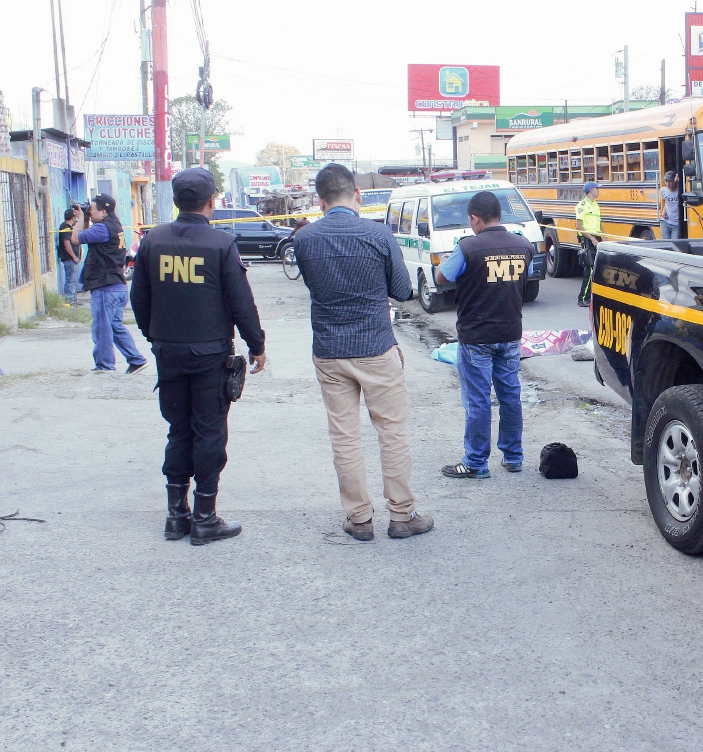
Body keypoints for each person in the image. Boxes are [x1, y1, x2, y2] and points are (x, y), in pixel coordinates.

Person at [292, 163, 430, 543]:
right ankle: (402, 516)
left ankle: (359, 518)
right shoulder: (378, 234)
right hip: (376, 347)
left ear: (320, 201)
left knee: (344, 436)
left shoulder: (304, 240)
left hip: (330, 350)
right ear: (356, 194)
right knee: (392, 433)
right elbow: (403, 291)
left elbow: (316, 287)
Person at [130, 168, 266, 545]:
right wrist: (257, 345)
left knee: (178, 429)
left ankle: (177, 516)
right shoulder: (220, 244)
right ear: (212, 201)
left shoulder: (152, 241)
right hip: (210, 355)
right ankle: (204, 518)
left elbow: (139, 299)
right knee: (209, 432)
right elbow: (241, 303)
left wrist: (155, 335)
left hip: (168, 352)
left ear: (176, 201)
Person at [435, 190, 535, 479]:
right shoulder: (523, 245)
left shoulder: (468, 248)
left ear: (474, 219)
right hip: (510, 333)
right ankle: (513, 456)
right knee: (510, 395)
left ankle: (476, 462)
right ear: (499, 216)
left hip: (477, 336)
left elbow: (442, 278)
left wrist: (445, 261)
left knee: (478, 400)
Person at [69, 194, 149, 373]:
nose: (90, 211)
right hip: (117, 286)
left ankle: (104, 366)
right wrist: (87, 217)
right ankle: (136, 359)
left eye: (93, 209)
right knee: (114, 326)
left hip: (106, 287)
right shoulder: (114, 226)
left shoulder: (102, 229)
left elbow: (75, 239)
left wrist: (80, 218)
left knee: (102, 328)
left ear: (103, 211)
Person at [575, 181, 603, 307]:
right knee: (590, 268)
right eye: (597, 189)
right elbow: (579, 227)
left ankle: (591, 296)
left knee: (597, 268)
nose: (599, 191)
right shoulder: (582, 206)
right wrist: (592, 239)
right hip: (587, 239)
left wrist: (604, 237)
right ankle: (583, 298)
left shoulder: (596, 205)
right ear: (591, 190)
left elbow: (599, 223)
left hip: (597, 238)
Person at [57, 206, 82, 305]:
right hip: (69, 259)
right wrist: (74, 257)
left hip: (73, 258)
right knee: (70, 280)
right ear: (73, 217)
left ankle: (73, 299)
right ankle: (70, 300)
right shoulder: (65, 228)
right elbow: (67, 244)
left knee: (73, 280)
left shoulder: (71, 227)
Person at [659, 172, 681, 241]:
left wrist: (679, 182)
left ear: (674, 181)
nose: (667, 184)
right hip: (665, 222)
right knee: (666, 244)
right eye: (666, 181)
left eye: (670, 181)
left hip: (676, 224)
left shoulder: (680, 191)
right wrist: (663, 210)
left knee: (674, 243)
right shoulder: (663, 190)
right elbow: (665, 202)